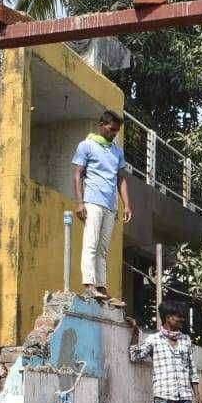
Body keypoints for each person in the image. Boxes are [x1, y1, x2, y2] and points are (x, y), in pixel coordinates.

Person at [73, 110, 132, 305]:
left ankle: (101, 286)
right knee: (91, 242)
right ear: (101, 125)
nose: (114, 133)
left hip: (111, 205)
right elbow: (78, 174)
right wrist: (80, 202)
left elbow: (121, 178)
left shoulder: (117, 150)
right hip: (92, 200)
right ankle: (89, 284)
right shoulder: (86, 145)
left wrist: (126, 205)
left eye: (116, 131)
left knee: (103, 249)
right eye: (111, 129)